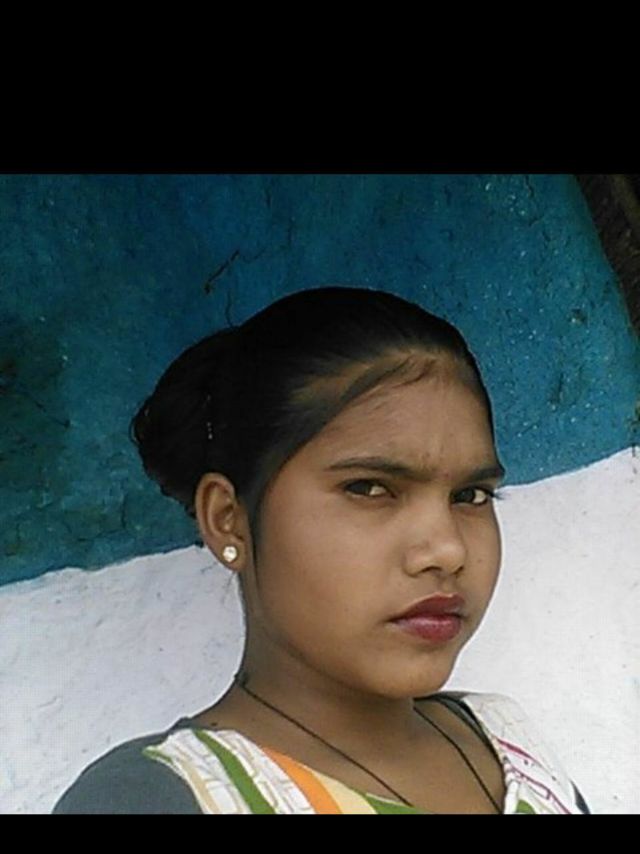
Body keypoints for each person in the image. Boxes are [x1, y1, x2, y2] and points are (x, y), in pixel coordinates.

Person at [53, 286, 591, 814]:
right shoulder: (166, 797)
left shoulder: (514, 751)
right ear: (228, 519)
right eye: (369, 488)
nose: (448, 550)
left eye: (471, 496)